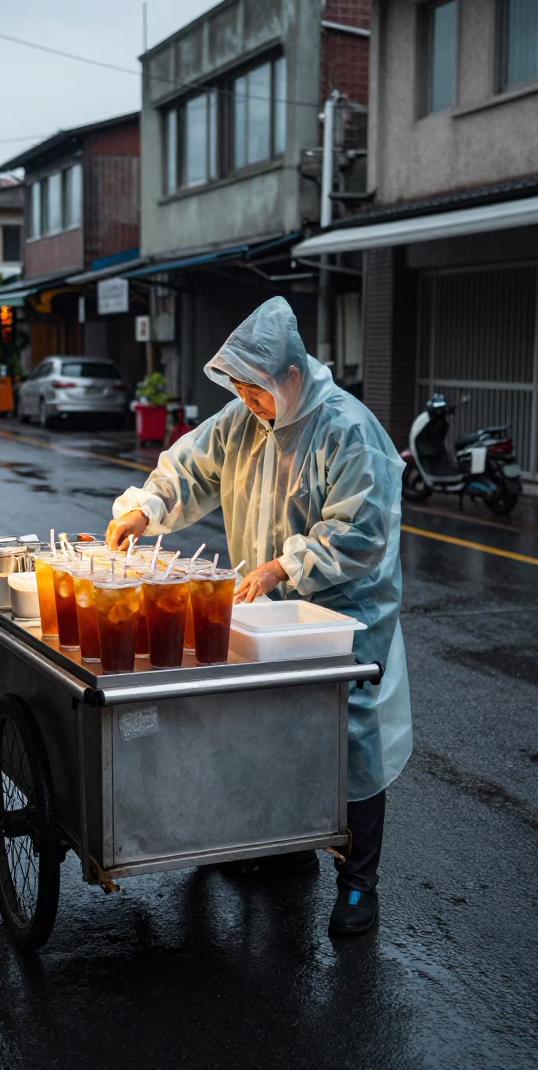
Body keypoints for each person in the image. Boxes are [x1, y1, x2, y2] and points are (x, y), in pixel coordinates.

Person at [107, 297, 412, 938]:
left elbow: (359, 532)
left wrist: (283, 566)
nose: (246, 401)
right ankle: (288, 846)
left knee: (345, 733)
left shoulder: (347, 429)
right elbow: (189, 469)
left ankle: (359, 885)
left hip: (341, 614)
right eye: (239, 389)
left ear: (291, 377)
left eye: (256, 390)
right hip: (271, 609)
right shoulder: (243, 421)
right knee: (270, 721)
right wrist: (143, 509)